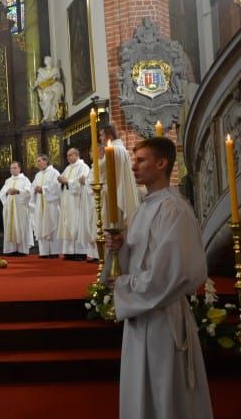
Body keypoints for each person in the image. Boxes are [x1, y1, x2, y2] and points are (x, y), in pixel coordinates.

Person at [107, 137, 213, 419]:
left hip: (163, 318)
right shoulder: (142, 209)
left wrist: (124, 286)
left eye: (141, 160)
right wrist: (121, 251)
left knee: (165, 393)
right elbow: (138, 263)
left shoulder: (174, 209)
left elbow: (173, 274)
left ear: (162, 163)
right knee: (141, 393)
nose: (133, 166)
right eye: (134, 160)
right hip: (140, 315)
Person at [56, 148, 96, 261]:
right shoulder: (68, 168)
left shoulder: (83, 167)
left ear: (77, 155)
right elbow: (63, 181)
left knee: (77, 223)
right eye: (67, 155)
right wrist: (60, 180)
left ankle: (80, 252)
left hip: (76, 201)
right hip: (67, 201)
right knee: (67, 224)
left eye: (70, 155)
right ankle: (69, 252)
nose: (68, 157)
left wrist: (67, 182)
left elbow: (81, 184)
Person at [98, 125, 140, 229]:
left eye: (102, 135)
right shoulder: (122, 149)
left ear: (109, 136)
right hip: (120, 190)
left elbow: (103, 173)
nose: (100, 138)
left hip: (112, 193)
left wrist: (99, 162)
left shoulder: (113, 149)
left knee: (113, 226)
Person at [0, 161, 34, 256]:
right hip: (9, 209)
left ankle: (22, 250)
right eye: (11, 168)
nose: (12, 170)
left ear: (19, 169)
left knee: (21, 227)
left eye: (14, 168)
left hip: (20, 209)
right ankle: (11, 250)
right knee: (11, 227)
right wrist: (7, 192)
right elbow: (1, 193)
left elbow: (29, 192)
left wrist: (18, 191)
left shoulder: (24, 180)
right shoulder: (8, 181)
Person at [31, 154, 61, 258]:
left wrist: (43, 189)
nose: (38, 163)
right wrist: (35, 190)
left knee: (52, 226)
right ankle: (43, 252)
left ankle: (54, 252)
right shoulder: (38, 175)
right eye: (37, 161)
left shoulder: (54, 172)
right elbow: (33, 187)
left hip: (51, 205)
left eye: (39, 161)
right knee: (41, 225)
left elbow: (56, 187)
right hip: (40, 204)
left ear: (46, 161)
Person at [35, 55, 64, 123]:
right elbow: (38, 81)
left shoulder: (55, 69)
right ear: (45, 62)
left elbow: (58, 78)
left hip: (54, 87)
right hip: (45, 89)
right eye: (46, 60)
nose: (48, 61)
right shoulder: (41, 71)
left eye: (49, 60)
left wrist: (54, 80)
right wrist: (37, 84)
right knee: (47, 99)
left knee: (55, 99)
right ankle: (47, 117)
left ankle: (54, 116)